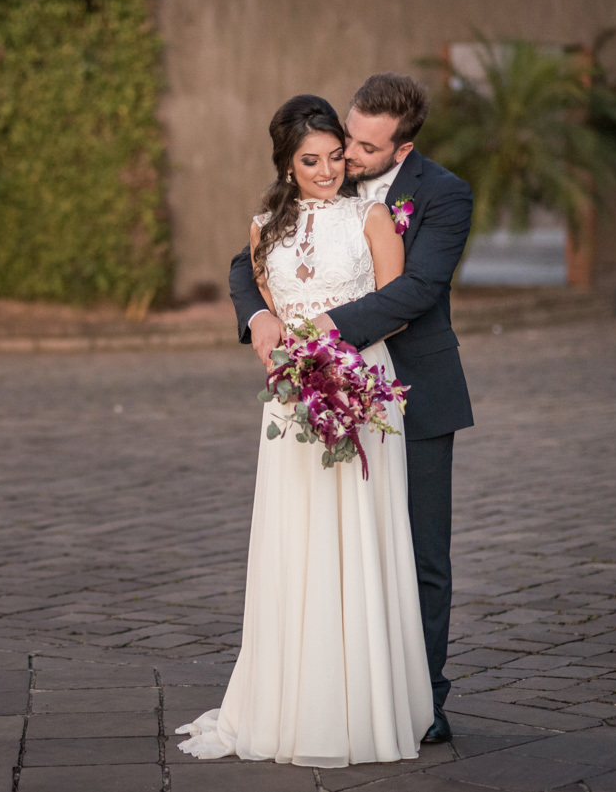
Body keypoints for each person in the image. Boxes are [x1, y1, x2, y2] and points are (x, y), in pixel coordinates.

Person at [175, 94, 434, 767]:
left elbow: (394, 305)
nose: (327, 171)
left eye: (336, 156)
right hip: (293, 396)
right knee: (297, 539)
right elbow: (260, 294)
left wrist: (332, 341)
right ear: (288, 166)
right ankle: (293, 701)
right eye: (310, 160)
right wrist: (266, 327)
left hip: (362, 383)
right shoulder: (264, 228)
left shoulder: (371, 216)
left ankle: (362, 707)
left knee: (358, 537)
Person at [228, 73, 475, 745]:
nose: (347, 159)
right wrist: (258, 318)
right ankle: (318, 688)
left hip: (409, 390)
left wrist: (316, 337)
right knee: (317, 543)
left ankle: (419, 700)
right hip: (309, 385)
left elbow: (416, 291)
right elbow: (245, 263)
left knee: (418, 554)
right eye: (345, 140)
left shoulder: (443, 195)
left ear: (401, 149)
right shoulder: (319, 180)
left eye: (363, 148)